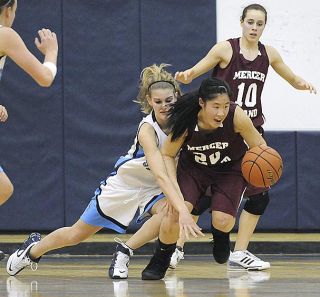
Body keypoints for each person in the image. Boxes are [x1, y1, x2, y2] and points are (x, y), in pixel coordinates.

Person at [6, 64, 202, 277]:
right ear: (149, 101)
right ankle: (32, 250)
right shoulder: (147, 129)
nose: (164, 106)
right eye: (158, 102)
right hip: (126, 185)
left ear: (177, 97)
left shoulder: (185, 122)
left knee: (170, 211)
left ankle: (126, 251)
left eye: (169, 101)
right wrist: (183, 207)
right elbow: (161, 174)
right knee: (76, 235)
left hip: (154, 189)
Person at [171, 3, 317, 270]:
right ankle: (176, 247)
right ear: (241, 22)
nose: (254, 27)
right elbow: (198, 69)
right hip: (221, 128)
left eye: (259, 24)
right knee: (201, 193)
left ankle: (239, 252)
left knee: (260, 195)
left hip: (249, 130)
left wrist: (302, 83)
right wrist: (187, 74)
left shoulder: (268, 53)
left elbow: (290, 76)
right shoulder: (225, 49)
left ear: (264, 26)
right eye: (250, 22)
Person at [141, 77, 267, 280]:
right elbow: (167, 154)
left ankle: (220, 236)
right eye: (216, 106)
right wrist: (175, 195)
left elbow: (260, 148)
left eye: (225, 106)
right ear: (202, 103)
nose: (221, 112)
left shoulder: (237, 116)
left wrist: (264, 170)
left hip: (229, 169)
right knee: (174, 214)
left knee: (223, 220)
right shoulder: (186, 119)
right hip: (194, 170)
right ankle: (161, 259)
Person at [0, 0, 58, 260]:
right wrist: (51, 52)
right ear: (9, 9)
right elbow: (45, 77)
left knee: (3, 188)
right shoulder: (5, 34)